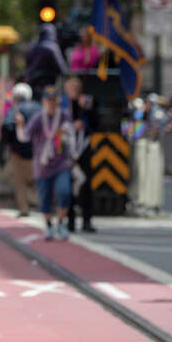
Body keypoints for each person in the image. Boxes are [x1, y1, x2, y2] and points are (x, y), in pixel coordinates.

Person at [16, 85, 74, 240]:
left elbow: (71, 137)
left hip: (61, 162)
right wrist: (20, 126)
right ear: (44, 101)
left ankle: (61, 223)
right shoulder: (38, 118)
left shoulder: (64, 116)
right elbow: (25, 137)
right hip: (42, 165)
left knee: (64, 191)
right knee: (45, 197)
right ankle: (48, 226)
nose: (51, 103)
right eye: (48, 100)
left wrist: (68, 136)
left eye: (54, 100)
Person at [63, 75, 96, 233]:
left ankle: (87, 221)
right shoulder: (62, 103)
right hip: (67, 150)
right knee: (68, 187)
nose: (74, 90)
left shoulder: (87, 102)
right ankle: (70, 221)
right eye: (71, 87)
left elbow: (96, 123)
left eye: (77, 87)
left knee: (86, 185)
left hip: (83, 149)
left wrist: (87, 110)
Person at [2, 83, 37, 217]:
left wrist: (10, 144)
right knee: (37, 180)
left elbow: (7, 127)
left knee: (20, 182)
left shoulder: (14, 110)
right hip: (38, 152)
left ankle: (24, 209)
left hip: (19, 152)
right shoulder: (38, 108)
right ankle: (37, 202)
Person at [25, 23, 68, 97]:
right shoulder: (52, 47)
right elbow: (62, 68)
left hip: (31, 84)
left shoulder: (32, 47)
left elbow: (27, 64)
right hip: (47, 85)